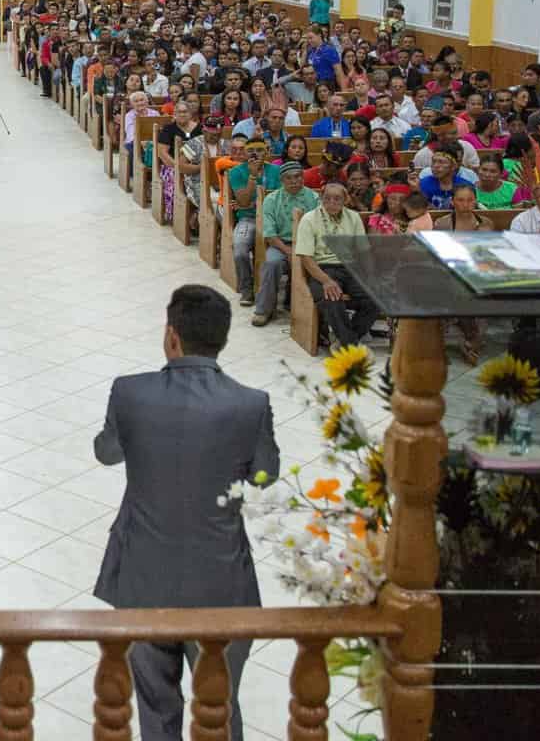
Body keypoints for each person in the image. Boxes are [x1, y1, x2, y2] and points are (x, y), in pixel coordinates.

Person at [93, 284, 278, 741]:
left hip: (143, 574)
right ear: (222, 339)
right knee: (220, 701)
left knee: (156, 704)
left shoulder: (130, 393)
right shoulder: (250, 403)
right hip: (222, 579)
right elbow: (265, 475)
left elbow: (107, 453)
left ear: (171, 335)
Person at [295, 182, 378, 349]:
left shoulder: (353, 217)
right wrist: (326, 281)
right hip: (323, 268)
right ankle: (350, 345)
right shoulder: (309, 219)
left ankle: (343, 340)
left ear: (345, 199)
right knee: (332, 298)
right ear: (321, 198)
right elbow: (305, 257)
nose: (332, 203)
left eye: (337, 199)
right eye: (327, 198)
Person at [251, 162, 319, 328]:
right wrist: (288, 251)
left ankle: (313, 310)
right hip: (280, 244)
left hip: (308, 244)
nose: (294, 181)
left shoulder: (314, 198)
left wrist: (302, 250)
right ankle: (263, 310)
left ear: (303, 177)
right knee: (271, 263)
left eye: (297, 177)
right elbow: (270, 234)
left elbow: (319, 229)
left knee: (321, 263)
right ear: (282, 181)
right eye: (289, 178)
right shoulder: (271, 200)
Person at [226, 140, 280, 309]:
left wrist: (253, 204)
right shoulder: (235, 172)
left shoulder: (277, 171)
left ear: (267, 152)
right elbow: (243, 201)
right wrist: (252, 176)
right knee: (240, 250)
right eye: (250, 150)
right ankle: (246, 289)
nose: (255, 154)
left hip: (273, 220)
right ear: (244, 153)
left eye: (259, 150)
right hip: (248, 219)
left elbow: (279, 199)